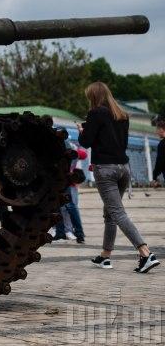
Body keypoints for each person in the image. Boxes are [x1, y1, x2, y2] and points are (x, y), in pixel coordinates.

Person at [78, 82, 159, 272]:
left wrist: (82, 131)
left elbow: (86, 142)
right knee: (110, 214)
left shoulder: (95, 113)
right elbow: (120, 143)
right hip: (123, 168)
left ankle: (145, 252)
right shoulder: (122, 115)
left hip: (105, 169)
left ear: (94, 97)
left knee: (117, 213)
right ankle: (105, 256)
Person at [52, 142, 86, 244]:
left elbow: (82, 155)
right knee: (64, 206)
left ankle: (65, 233)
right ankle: (74, 233)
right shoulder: (68, 145)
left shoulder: (64, 144)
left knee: (64, 206)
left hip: (60, 179)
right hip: (64, 179)